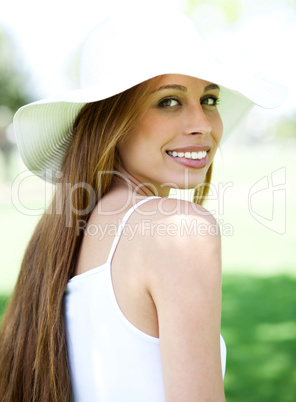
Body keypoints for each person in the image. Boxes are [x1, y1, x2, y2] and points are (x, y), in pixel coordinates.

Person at [0, 7, 286, 402]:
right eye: (169, 101)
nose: (201, 123)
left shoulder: (71, 234)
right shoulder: (179, 232)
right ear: (111, 120)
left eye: (209, 98)